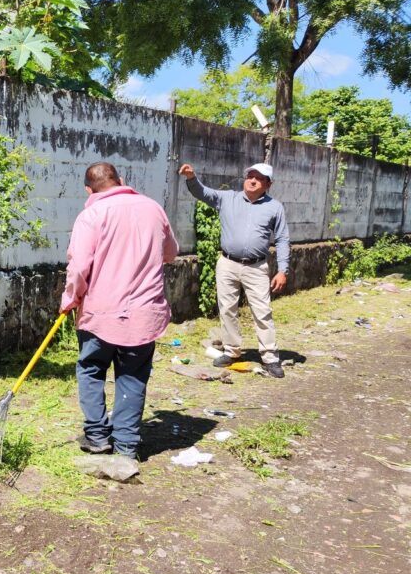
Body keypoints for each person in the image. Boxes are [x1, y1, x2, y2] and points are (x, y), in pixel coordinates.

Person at [61, 162, 179, 458]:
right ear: (121, 180)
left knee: (91, 370)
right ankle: (126, 445)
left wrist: (70, 298)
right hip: (144, 314)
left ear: (88, 190)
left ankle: (97, 436)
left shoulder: (91, 214)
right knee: (133, 375)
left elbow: (79, 267)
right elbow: (171, 254)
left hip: (99, 314)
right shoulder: (154, 208)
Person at [178, 162, 290, 378]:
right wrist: (191, 177)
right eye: (250, 176)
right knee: (227, 308)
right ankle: (232, 351)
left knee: (262, 312)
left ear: (268, 184)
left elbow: (283, 239)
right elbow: (202, 192)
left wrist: (282, 270)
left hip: (256, 266)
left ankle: (269, 357)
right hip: (228, 264)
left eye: (259, 178)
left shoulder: (274, 207)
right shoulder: (227, 198)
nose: (253, 180)